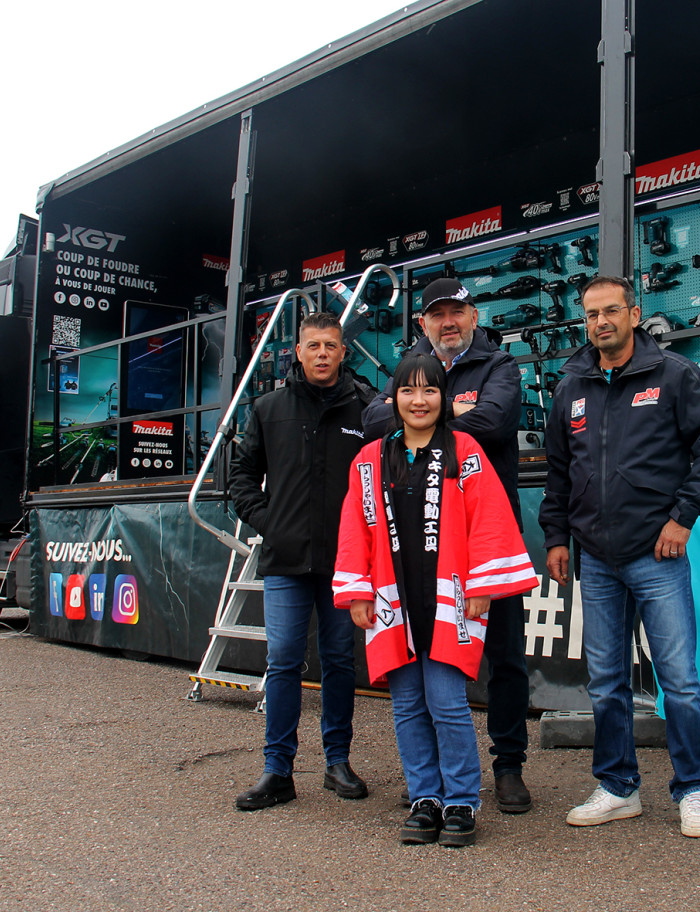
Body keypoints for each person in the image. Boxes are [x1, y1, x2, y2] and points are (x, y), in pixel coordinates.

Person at [539, 275, 700, 838]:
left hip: (657, 552)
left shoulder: (674, 375)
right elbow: (558, 471)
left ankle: (693, 790)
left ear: (633, 312)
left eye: (611, 311)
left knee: (679, 680)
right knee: (605, 681)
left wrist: (682, 517)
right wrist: (556, 536)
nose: (601, 321)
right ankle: (619, 787)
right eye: (592, 314)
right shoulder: (571, 385)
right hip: (596, 557)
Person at [336, 353, 538, 847]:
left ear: (444, 398)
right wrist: (357, 591)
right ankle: (425, 796)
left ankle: (462, 801)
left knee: (447, 703)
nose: (419, 400)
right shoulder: (370, 459)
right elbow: (354, 528)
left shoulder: (464, 449)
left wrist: (485, 587)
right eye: (408, 390)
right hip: (392, 600)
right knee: (406, 704)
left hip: (449, 599)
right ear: (394, 399)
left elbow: (489, 520)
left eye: (430, 390)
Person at [363, 277, 534, 813]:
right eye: (437, 315)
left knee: (504, 658)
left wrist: (424, 412)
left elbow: (496, 421)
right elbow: (370, 420)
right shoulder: (410, 362)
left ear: (474, 315)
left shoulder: (500, 365)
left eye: (457, 311)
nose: (448, 322)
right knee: (424, 664)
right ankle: (432, 784)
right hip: (416, 550)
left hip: (483, 543)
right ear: (423, 323)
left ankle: (507, 767)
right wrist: (445, 408)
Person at [228, 311, 376, 811]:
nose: (322, 354)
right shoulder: (269, 408)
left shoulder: (366, 408)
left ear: (342, 351)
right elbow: (241, 476)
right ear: (297, 351)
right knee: (284, 661)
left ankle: (338, 762)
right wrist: (270, 523)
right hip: (287, 560)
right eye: (313, 346)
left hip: (345, 563)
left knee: (339, 661)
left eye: (331, 346)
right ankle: (278, 772)